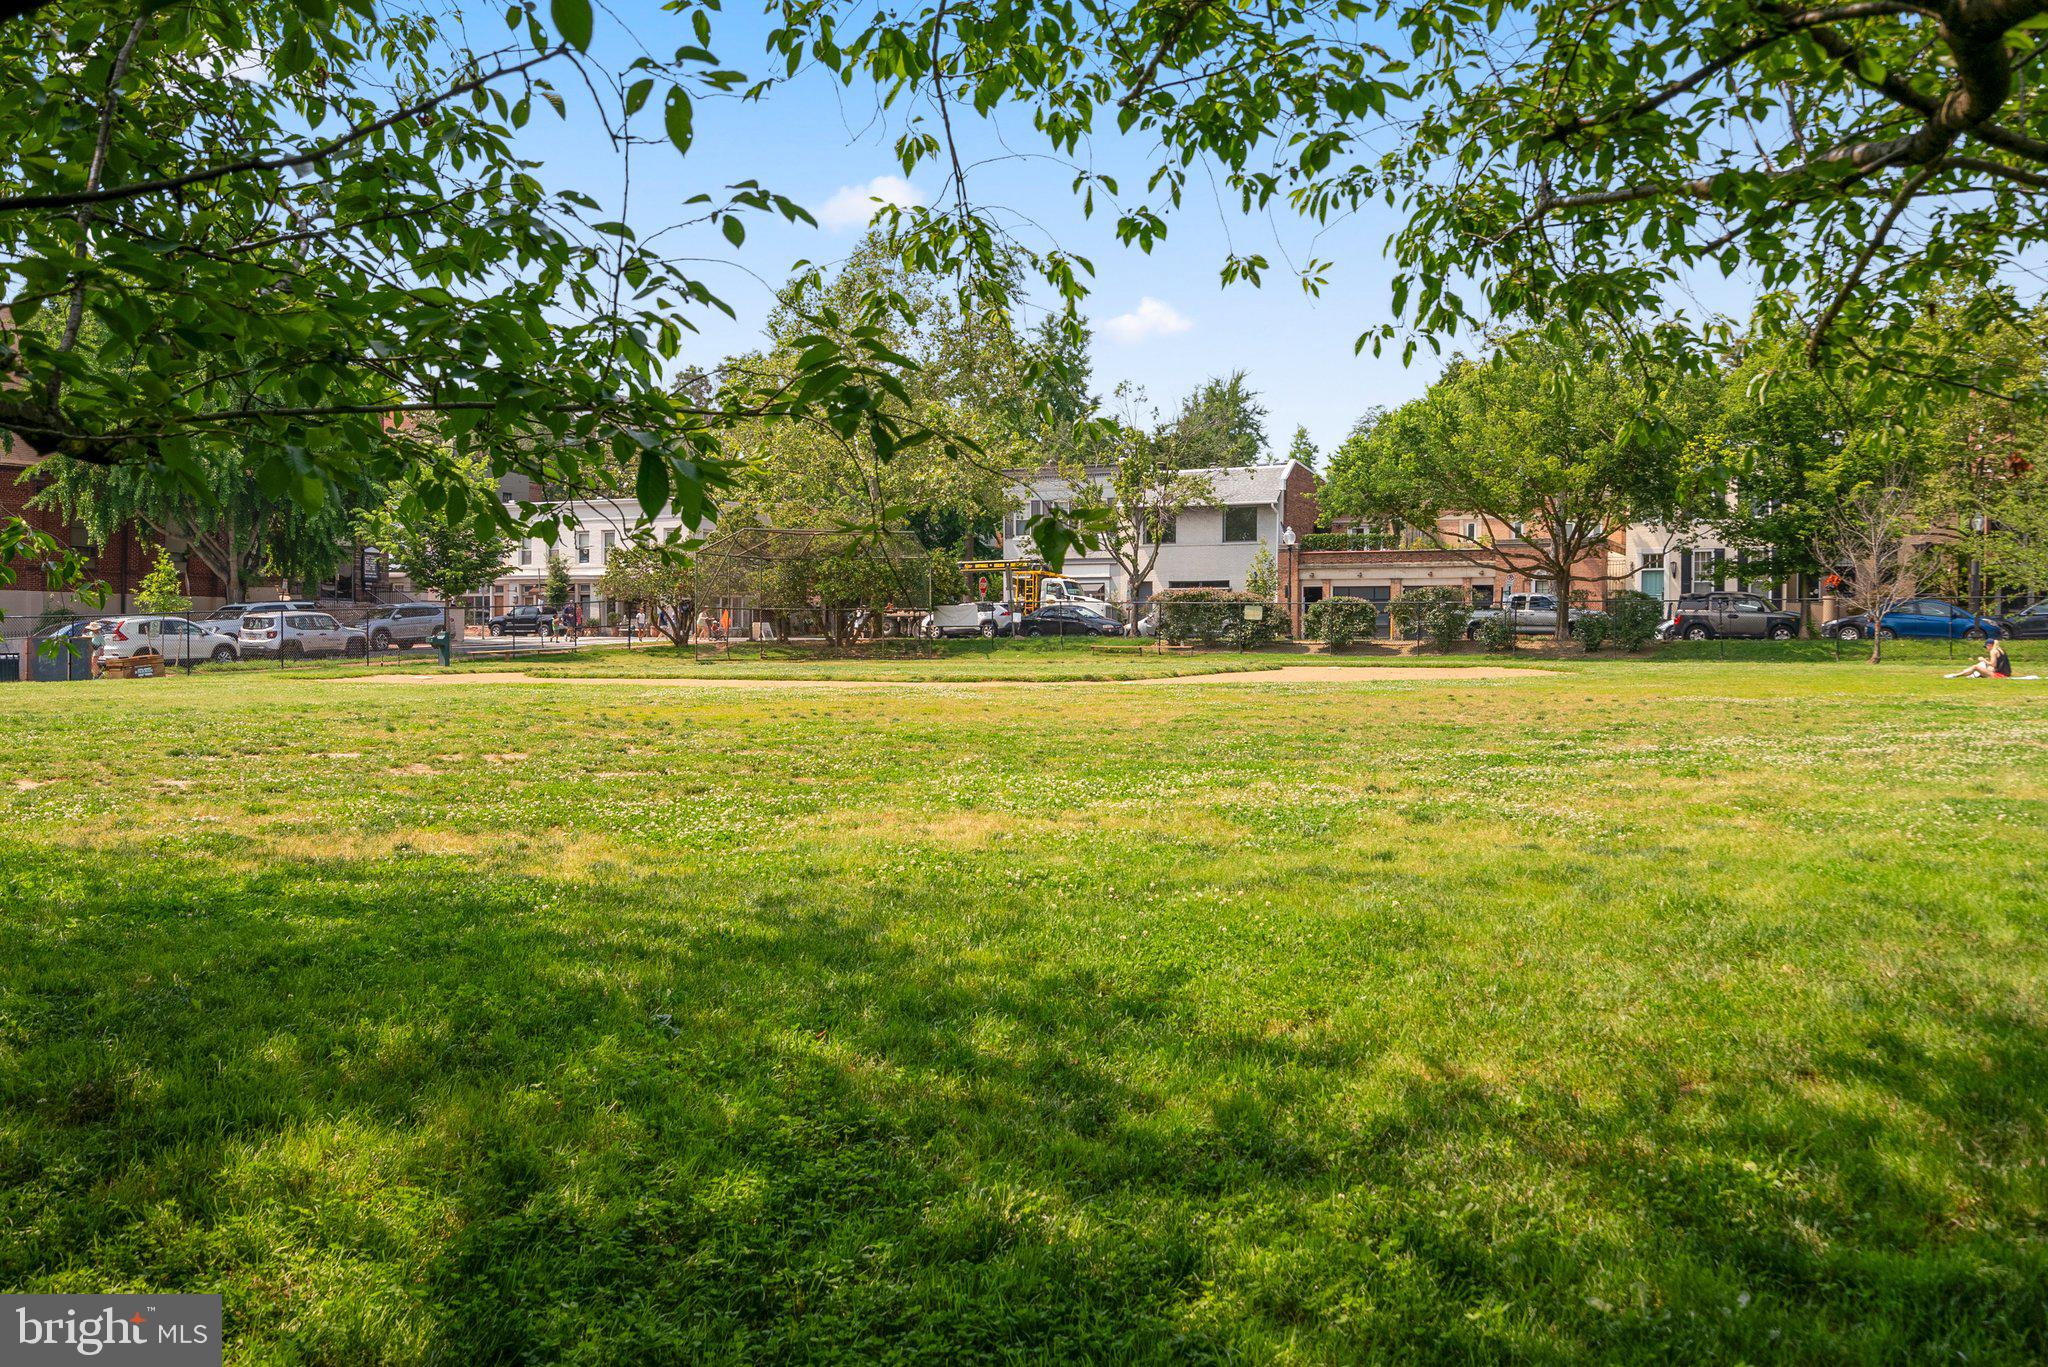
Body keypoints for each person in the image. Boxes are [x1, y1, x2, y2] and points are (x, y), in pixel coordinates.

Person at [1949, 636, 2013, 679]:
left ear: (1989, 645)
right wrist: (1986, 661)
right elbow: (1998, 663)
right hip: (2007, 674)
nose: (1986, 649)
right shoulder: (2001, 650)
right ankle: (1970, 674)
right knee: (1988, 667)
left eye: (1986, 647)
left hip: (2000, 675)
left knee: (1975, 667)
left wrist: (1983, 660)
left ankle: (1955, 675)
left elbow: (1994, 664)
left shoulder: (1993, 651)